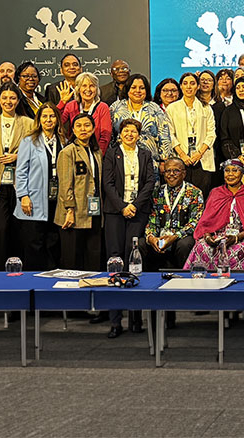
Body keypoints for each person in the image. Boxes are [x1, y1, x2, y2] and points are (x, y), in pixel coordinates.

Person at [102, 118, 158, 337]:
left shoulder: (145, 154)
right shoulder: (111, 154)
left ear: (138, 135)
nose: (129, 134)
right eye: (126, 131)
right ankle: (115, 321)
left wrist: (134, 205)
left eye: (133, 131)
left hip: (138, 213)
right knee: (115, 261)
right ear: (120, 134)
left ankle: (136, 319)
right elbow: (107, 184)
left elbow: (149, 183)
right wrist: (122, 206)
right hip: (115, 213)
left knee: (133, 261)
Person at [0, 83, 32, 270]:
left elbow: (35, 152)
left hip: (20, 185)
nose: (8, 101)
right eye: (4, 97)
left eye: (12, 98)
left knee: (19, 229)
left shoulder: (28, 122)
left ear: (18, 100)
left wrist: (18, 156)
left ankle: (19, 270)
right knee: (0, 229)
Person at [187, 160, 244, 271]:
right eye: (227, 171)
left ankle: (241, 281)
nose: (230, 174)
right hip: (216, 236)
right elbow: (206, 221)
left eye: (235, 171)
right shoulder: (216, 193)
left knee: (243, 250)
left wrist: (237, 238)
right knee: (201, 247)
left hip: (241, 237)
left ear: (242, 173)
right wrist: (208, 237)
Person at [13, 103, 63, 271]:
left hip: (55, 201)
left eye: (52, 116)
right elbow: (21, 171)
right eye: (45, 116)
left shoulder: (63, 141)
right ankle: (33, 279)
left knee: (53, 243)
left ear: (57, 119)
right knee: (34, 244)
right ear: (39, 120)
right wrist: (23, 196)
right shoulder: (29, 141)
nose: (48, 120)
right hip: (33, 200)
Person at [56, 113, 104, 270]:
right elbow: (65, 185)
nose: (83, 129)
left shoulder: (96, 151)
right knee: (72, 259)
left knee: (93, 257)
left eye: (87, 125)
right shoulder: (68, 152)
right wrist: (69, 210)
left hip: (94, 211)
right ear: (73, 130)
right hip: (74, 212)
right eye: (78, 126)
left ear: (93, 128)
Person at [147, 157, 204, 269]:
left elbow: (195, 222)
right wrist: (151, 237)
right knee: (142, 243)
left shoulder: (194, 192)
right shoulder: (157, 192)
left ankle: (184, 275)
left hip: (181, 237)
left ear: (184, 173)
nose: (171, 174)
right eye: (168, 171)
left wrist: (175, 236)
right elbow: (152, 219)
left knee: (185, 244)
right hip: (161, 236)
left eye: (176, 171)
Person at [165, 72, 216, 196]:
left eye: (192, 83)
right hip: (180, 158)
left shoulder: (206, 107)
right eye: (185, 83)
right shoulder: (172, 108)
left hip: (202, 157)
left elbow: (211, 133)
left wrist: (199, 153)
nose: (189, 87)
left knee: (201, 194)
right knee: (180, 196)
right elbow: (170, 134)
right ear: (181, 86)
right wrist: (182, 154)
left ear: (198, 86)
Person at [110, 74, 172, 165]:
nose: (138, 91)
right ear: (127, 89)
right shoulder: (116, 107)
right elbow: (110, 135)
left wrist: (164, 160)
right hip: (121, 161)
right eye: (133, 87)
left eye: (142, 88)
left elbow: (164, 134)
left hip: (150, 161)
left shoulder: (154, 108)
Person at [60, 71, 113, 155]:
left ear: (96, 89)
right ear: (78, 89)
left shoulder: (103, 107)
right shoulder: (71, 106)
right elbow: (57, 122)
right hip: (74, 152)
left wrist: (98, 155)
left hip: (95, 152)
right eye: (84, 86)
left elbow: (105, 135)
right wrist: (62, 103)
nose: (88, 89)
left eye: (92, 86)